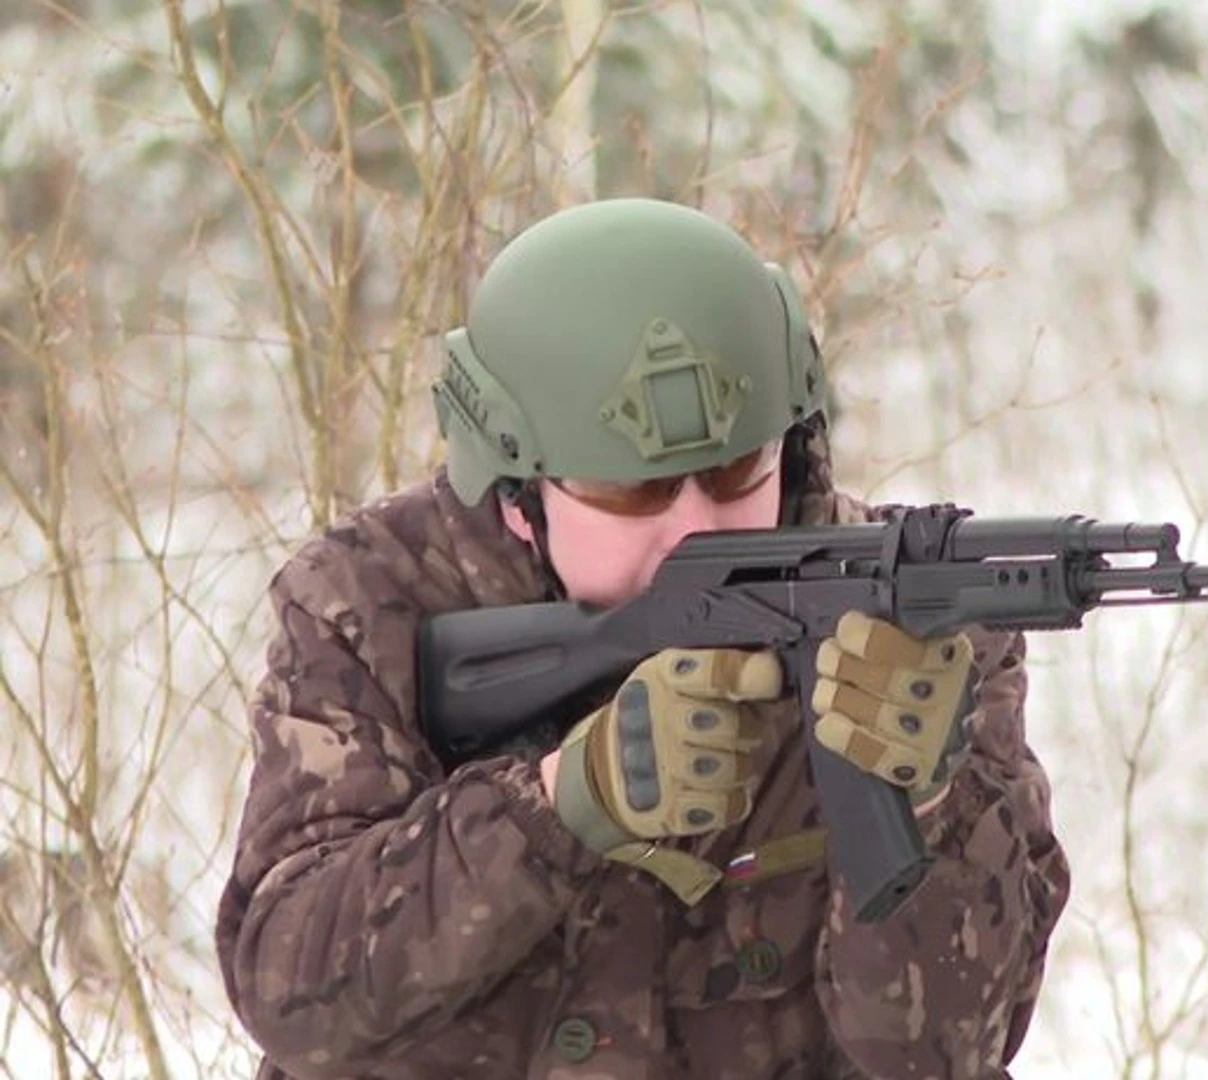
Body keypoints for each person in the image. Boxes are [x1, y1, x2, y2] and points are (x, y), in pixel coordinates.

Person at [214, 197, 1072, 1079]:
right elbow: (293, 996)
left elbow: (947, 1053)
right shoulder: (374, 601)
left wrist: (927, 804)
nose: (697, 530)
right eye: (634, 492)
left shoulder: (912, 621)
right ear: (517, 495)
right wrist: (558, 804)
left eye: (738, 471)